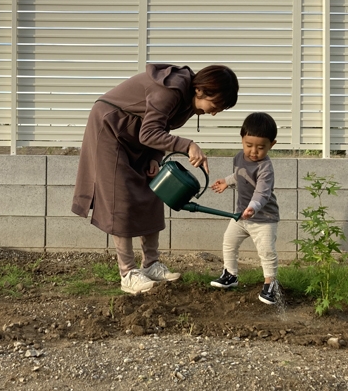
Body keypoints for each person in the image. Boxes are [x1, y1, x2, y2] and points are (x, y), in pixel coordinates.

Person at [72, 63, 239, 295]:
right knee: (120, 198)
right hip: (110, 128)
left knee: (153, 191)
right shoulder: (170, 90)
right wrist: (188, 145)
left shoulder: (189, 103)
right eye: (216, 106)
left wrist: (155, 156)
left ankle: (150, 264)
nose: (214, 113)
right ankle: (128, 273)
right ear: (201, 91)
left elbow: (161, 126)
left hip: (135, 137)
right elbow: (149, 132)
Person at [210, 112, 280, 304]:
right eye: (249, 145)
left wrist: (253, 207)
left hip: (263, 218)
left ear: (272, 145)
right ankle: (230, 275)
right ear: (242, 139)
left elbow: (262, 192)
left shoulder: (265, 168)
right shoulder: (239, 158)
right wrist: (226, 182)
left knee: (266, 251)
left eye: (260, 147)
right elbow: (240, 175)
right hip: (242, 215)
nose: (253, 151)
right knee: (229, 242)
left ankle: (270, 285)